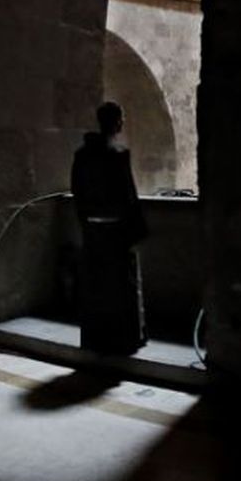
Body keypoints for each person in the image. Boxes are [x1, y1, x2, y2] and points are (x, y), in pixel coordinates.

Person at [71, 101, 148, 355]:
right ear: (115, 122)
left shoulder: (81, 156)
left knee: (95, 288)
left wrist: (86, 223)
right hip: (116, 232)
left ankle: (96, 339)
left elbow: (78, 193)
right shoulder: (118, 154)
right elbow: (129, 197)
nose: (123, 123)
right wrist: (137, 231)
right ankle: (122, 340)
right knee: (120, 289)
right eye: (121, 119)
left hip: (93, 231)